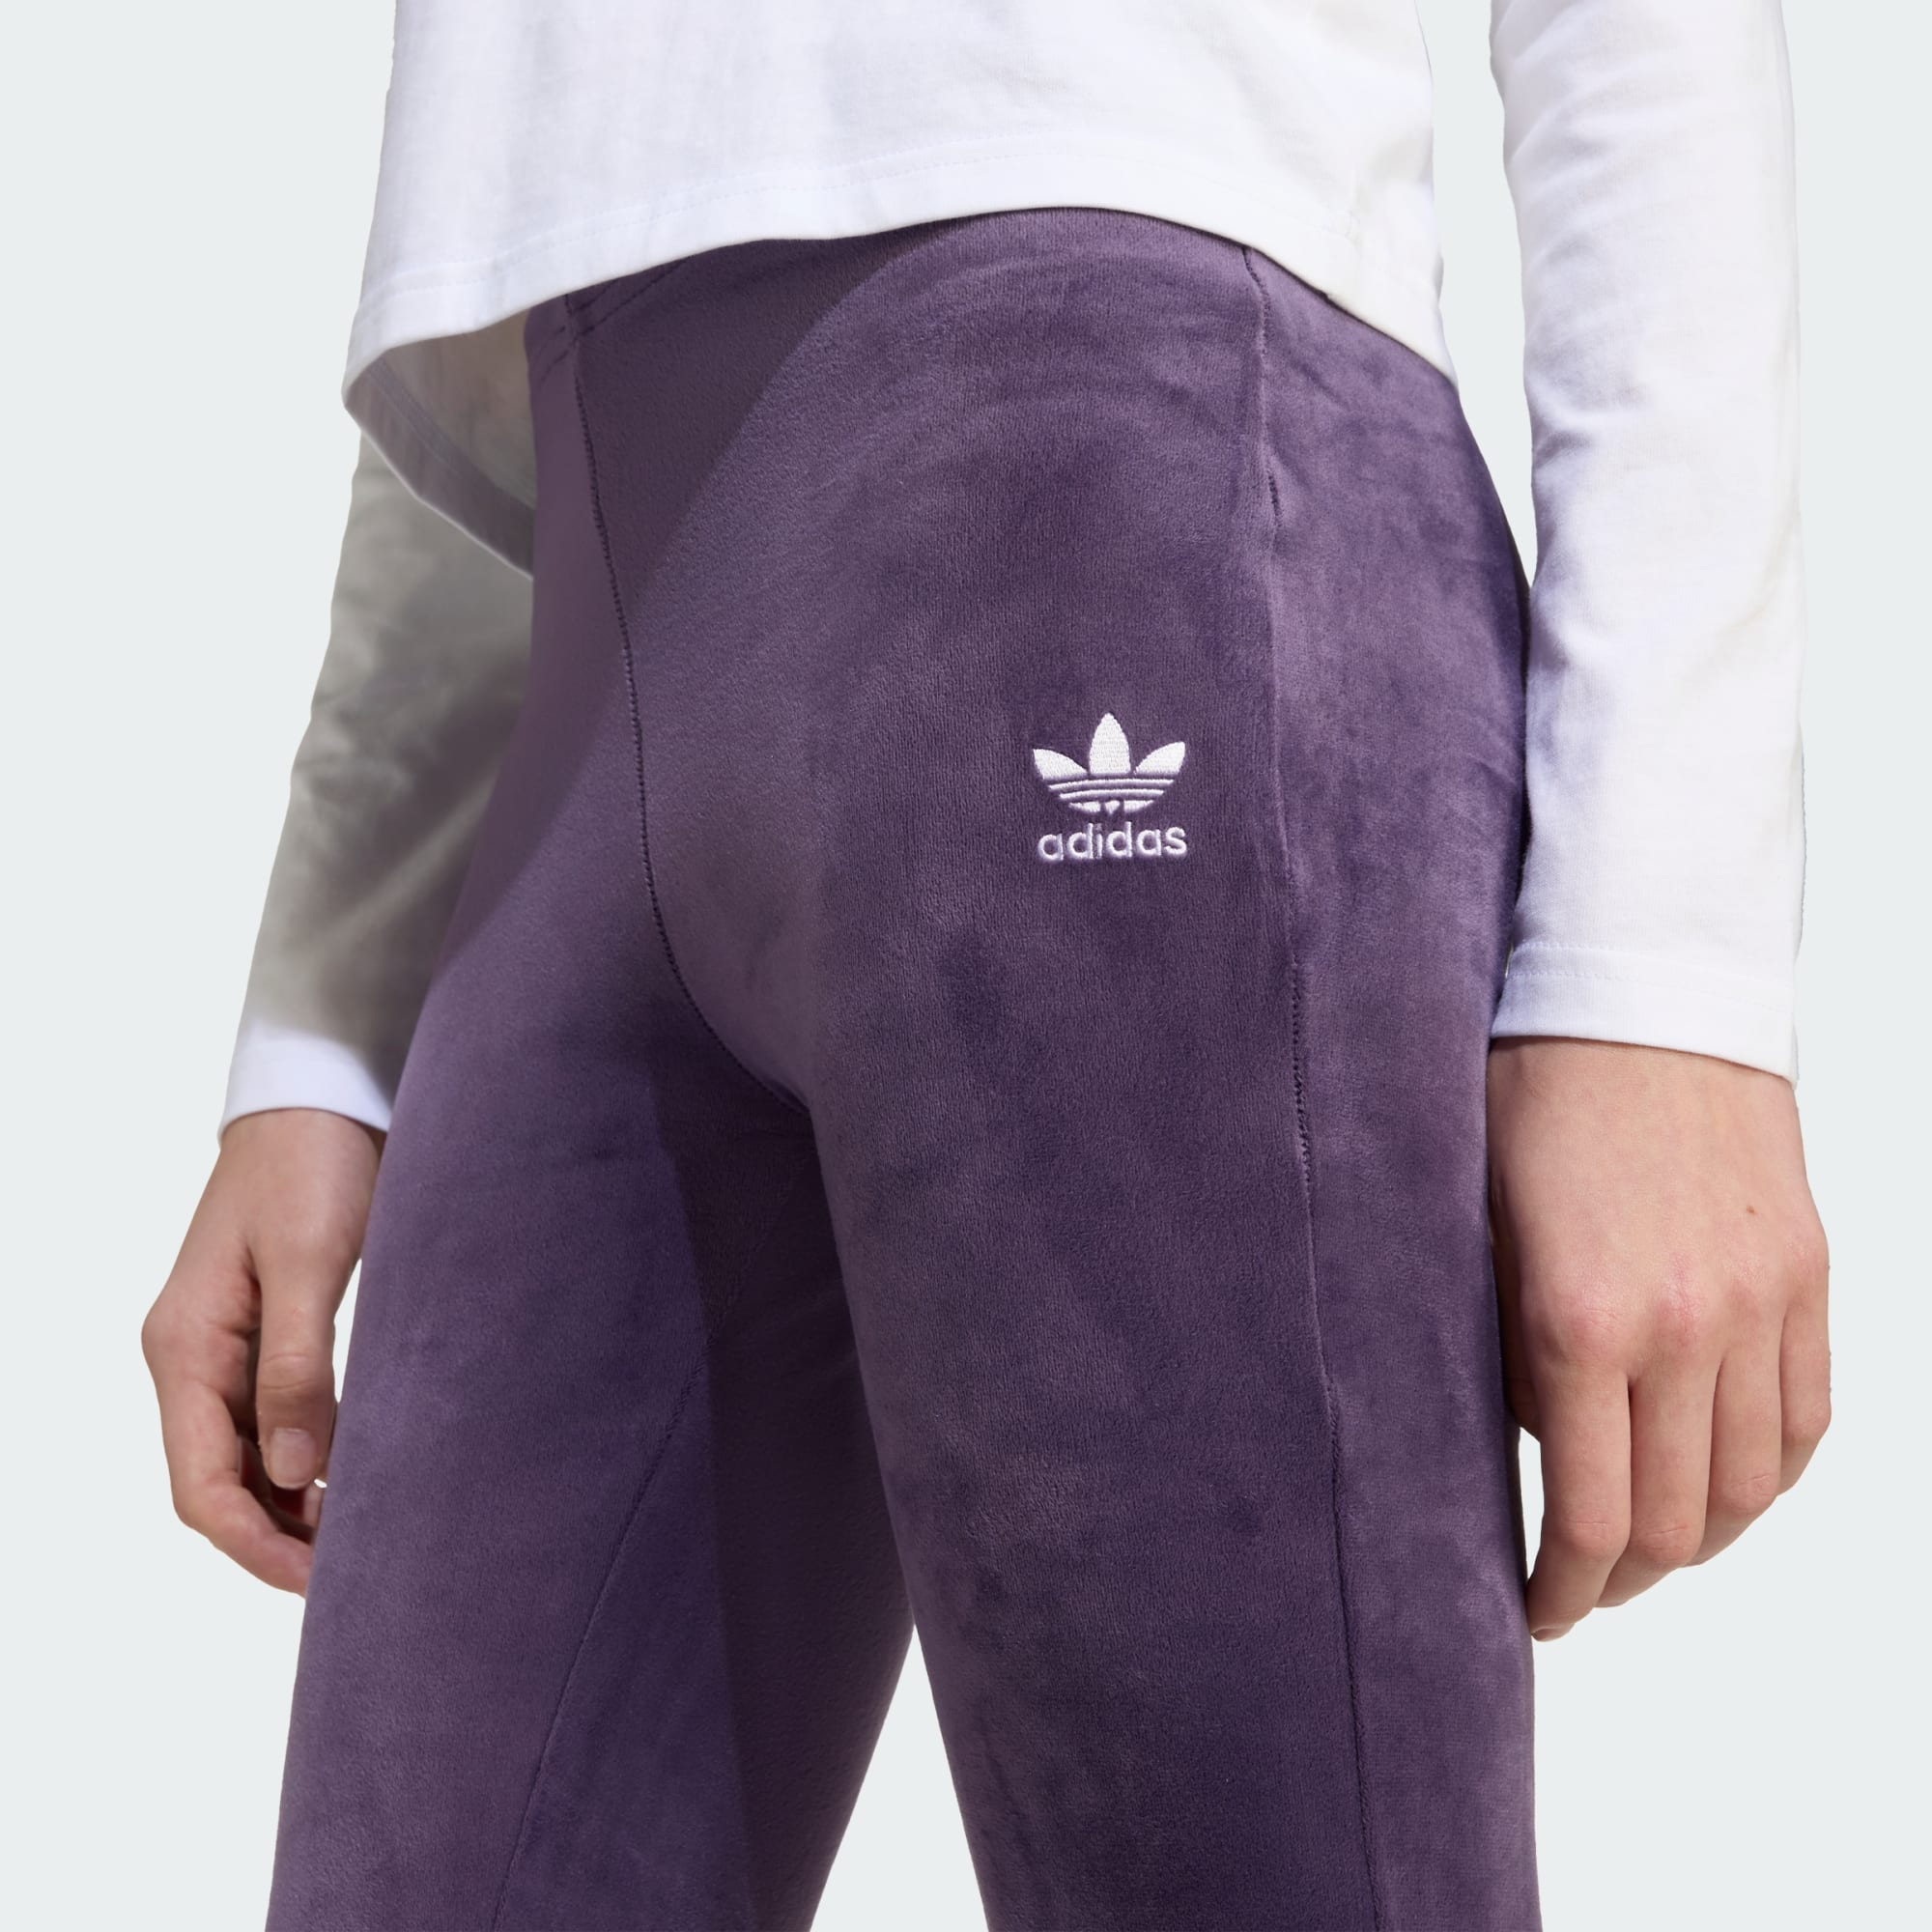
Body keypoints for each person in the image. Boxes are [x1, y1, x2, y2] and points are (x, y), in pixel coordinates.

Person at [141, 4, 1831, 1927]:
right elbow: (513, 243)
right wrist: (323, 1023)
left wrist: (1658, 963)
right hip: (593, 636)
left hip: (1105, 487)